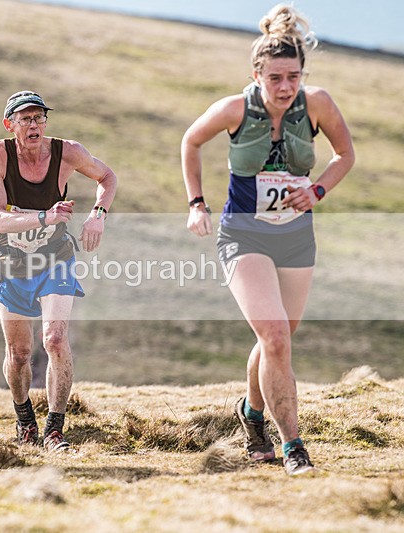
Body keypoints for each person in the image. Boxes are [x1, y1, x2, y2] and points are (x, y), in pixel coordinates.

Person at [181, 5, 354, 476]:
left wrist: (317, 190)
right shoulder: (235, 108)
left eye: (292, 77)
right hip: (243, 234)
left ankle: (251, 412)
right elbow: (191, 142)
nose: (284, 88)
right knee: (275, 337)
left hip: (297, 237)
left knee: (277, 337)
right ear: (256, 74)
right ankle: (293, 445)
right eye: (275, 77)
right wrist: (197, 202)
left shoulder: (316, 103)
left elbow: (345, 153)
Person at [0, 91, 117, 451]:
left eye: (39, 117)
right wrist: (43, 216)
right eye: (25, 119)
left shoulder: (66, 151)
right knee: (19, 353)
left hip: (55, 258)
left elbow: (107, 177)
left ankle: (55, 429)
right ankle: (25, 419)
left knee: (54, 339)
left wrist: (97, 216)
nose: (34, 124)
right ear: (10, 125)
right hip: (11, 261)